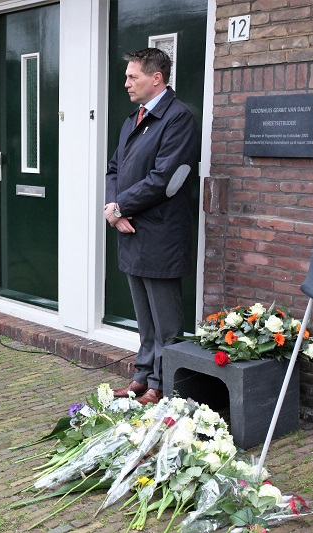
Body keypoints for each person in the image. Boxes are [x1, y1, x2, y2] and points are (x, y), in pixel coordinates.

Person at [105, 48, 200, 406]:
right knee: (144, 317)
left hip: (161, 234)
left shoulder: (178, 118)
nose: (126, 83)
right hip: (130, 230)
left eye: (133, 76)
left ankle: (163, 385)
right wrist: (113, 208)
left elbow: (165, 179)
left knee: (166, 321)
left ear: (156, 78)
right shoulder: (133, 119)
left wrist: (120, 206)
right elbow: (114, 169)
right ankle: (142, 377)